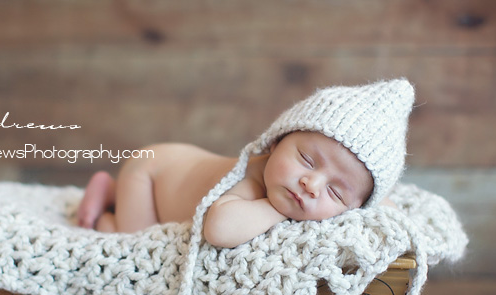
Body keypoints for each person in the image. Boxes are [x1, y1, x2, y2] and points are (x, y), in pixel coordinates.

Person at [77, 78, 415, 248]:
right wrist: (280, 208)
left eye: (335, 192)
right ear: (277, 141)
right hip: (152, 172)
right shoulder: (255, 180)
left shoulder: (334, 190)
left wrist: (375, 203)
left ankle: (112, 192)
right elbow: (219, 229)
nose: (310, 185)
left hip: (177, 164)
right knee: (134, 242)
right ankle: (109, 200)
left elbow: (372, 200)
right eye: (307, 161)